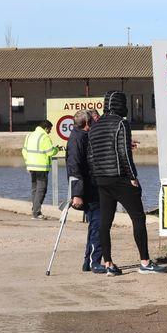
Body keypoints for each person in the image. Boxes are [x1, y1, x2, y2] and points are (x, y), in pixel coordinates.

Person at [88, 91, 167, 275]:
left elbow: (91, 157)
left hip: (102, 180)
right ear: (120, 105)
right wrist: (132, 177)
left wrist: (98, 177)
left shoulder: (95, 127)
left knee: (105, 223)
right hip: (120, 178)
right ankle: (145, 263)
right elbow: (124, 153)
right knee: (138, 218)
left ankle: (108, 264)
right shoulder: (121, 124)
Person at [66, 109, 104, 272]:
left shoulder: (82, 136)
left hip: (92, 187)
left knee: (96, 223)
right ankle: (93, 261)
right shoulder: (77, 139)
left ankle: (89, 260)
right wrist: (77, 194)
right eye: (93, 120)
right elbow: (74, 168)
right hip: (87, 190)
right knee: (98, 223)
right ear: (87, 123)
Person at [22, 120, 62, 220]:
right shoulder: (44, 137)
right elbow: (49, 152)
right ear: (46, 128)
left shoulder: (29, 135)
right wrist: (57, 149)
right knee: (41, 190)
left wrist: (28, 162)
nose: (50, 132)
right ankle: (37, 213)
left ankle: (35, 209)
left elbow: (24, 151)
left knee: (35, 189)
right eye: (50, 129)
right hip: (41, 167)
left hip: (31, 167)